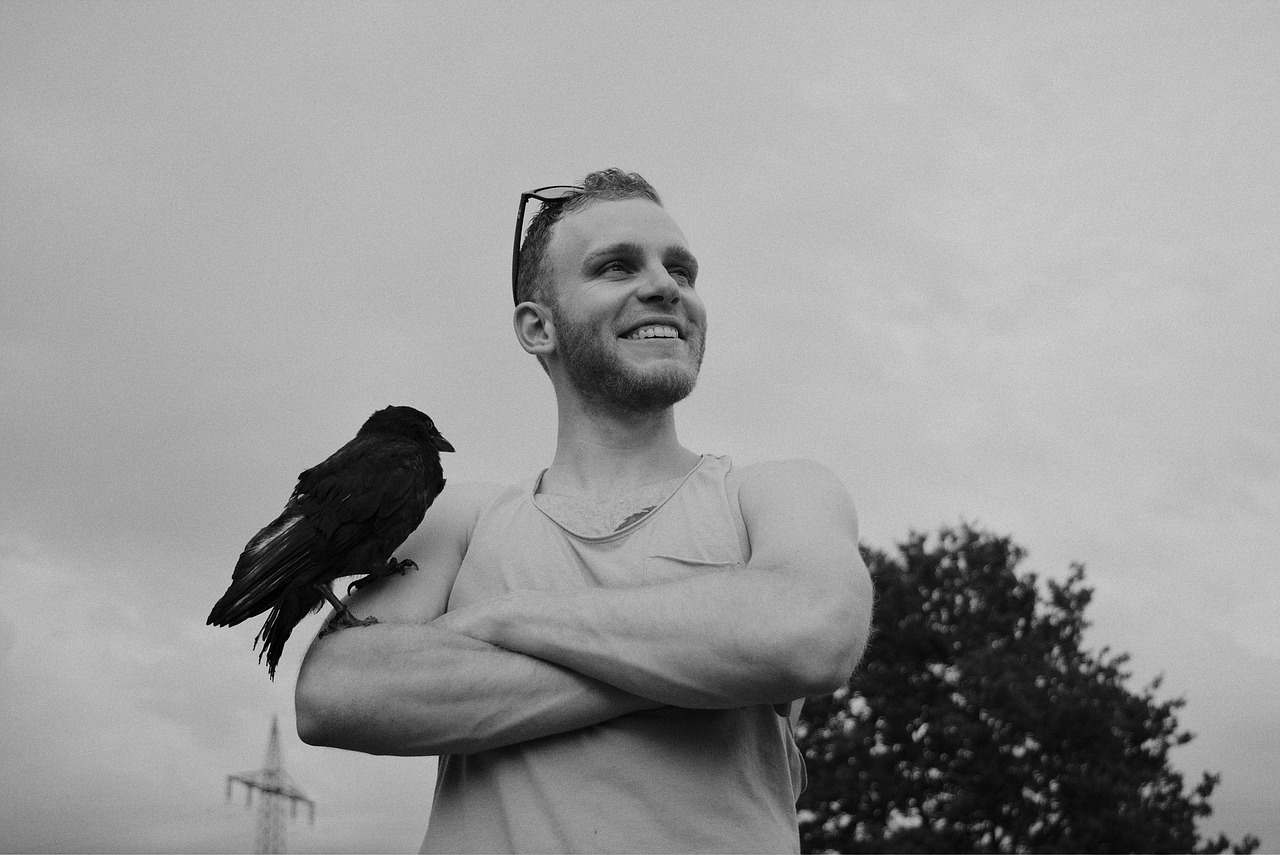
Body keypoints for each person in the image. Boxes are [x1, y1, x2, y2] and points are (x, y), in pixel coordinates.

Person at [295, 168, 874, 854]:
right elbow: (336, 692)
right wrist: (711, 664)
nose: (665, 287)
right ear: (538, 326)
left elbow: (811, 631)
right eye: (617, 266)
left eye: (681, 270)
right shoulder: (460, 519)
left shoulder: (778, 492)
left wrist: (507, 619)